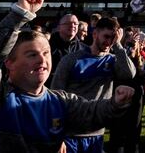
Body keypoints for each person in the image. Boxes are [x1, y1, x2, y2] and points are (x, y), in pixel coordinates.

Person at [0, 0, 134, 153]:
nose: (42, 59)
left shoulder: (59, 101)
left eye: (45, 53)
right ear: (9, 62)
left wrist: (116, 103)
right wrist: (18, 15)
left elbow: (92, 112)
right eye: (32, 54)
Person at [51, 17, 135, 153]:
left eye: (113, 38)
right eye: (106, 36)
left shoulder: (113, 60)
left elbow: (129, 74)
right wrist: (57, 134)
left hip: (97, 132)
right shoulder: (72, 59)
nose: (109, 42)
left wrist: (118, 46)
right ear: (95, 34)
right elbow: (55, 97)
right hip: (71, 133)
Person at [48, 14, 83, 84]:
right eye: (68, 23)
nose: (73, 26)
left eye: (75, 24)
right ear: (59, 27)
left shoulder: (84, 49)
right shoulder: (47, 46)